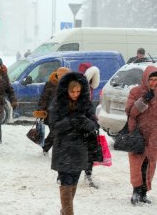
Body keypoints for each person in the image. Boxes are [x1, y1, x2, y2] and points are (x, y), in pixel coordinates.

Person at [48, 72, 99, 215]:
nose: (75, 94)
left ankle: (65, 210)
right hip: (63, 148)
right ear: (66, 90)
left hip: (80, 148)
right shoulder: (58, 103)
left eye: (78, 91)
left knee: (73, 184)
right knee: (66, 183)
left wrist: (84, 121)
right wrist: (70, 121)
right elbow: (54, 127)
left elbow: (94, 125)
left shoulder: (85, 103)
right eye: (72, 91)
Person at [125, 65, 157, 205]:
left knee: (149, 164)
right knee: (137, 164)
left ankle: (144, 192)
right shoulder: (136, 92)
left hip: (154, 135)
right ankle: (136, 192)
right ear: (145, 78)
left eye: (156, 80)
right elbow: (131, 112)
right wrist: (144, 99)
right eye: (151, 79)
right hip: (138, 133)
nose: (153, 83)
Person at [34, 67, 71, 154]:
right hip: (52, 114)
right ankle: (46, 148)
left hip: (64, 114)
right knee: (55, 132)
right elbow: (43, 98)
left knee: (60, 132)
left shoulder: (68, 85)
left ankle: (55, 149)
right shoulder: (51, 84)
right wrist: (41, 111)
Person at [78, 62, 101, 188]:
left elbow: (89, 106)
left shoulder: (89, 88)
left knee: (90, 151)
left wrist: (93, 119)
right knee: (75, 151)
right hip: (78, 124)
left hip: (88, 124)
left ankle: (88, 175)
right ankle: (65, 175)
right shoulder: (77, 86)